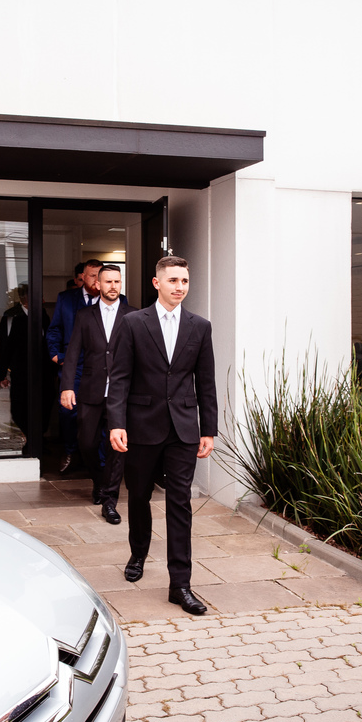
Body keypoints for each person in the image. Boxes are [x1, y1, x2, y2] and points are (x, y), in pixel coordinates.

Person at [107, 255, 217, 616]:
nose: (180, 287)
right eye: (173, 281)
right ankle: (138, 553)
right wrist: (116, 422)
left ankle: (180, 584)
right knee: (138, 495)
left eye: (184, 281)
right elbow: (119, 377)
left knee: (180, 502)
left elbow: (206, 382)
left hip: (183, 429)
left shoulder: (200, 327)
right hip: (141, 425)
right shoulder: (133, 323)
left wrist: (209, 430)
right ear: (157, 283)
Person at [61, 265, 132, 523]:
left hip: (122, 395)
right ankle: (99, 480)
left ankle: (110, 500)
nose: (113, 286)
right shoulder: (84, 315)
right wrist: (67, 386)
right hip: (91, 390)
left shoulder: (134, 315)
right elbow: (72, 352)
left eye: (117, 281)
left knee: (116, 447)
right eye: (108, 281)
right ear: (97, 285)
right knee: (87, 442)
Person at [47, 259, 103, 473]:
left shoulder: (117, 300)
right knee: (69, 412)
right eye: (91, 276)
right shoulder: (66, 298)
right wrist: (55, 355)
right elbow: (55, 330)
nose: (97, 280)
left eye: (100, 275)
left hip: (101, 367)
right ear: (82, 278)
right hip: (73, 366)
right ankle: (70, 451)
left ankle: (98, 463)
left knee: (102, 413)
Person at [0, 284, 54, 449]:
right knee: (19, 408)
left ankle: (37, 438)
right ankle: (31, 438)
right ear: (25, 299)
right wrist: (2, 374)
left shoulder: (43, 315)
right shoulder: (11, 316)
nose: (43, 300)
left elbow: (48, 342)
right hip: (21, 371)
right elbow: (3, 347)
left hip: (44, 371)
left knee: (45, 404)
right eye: (38, 297)